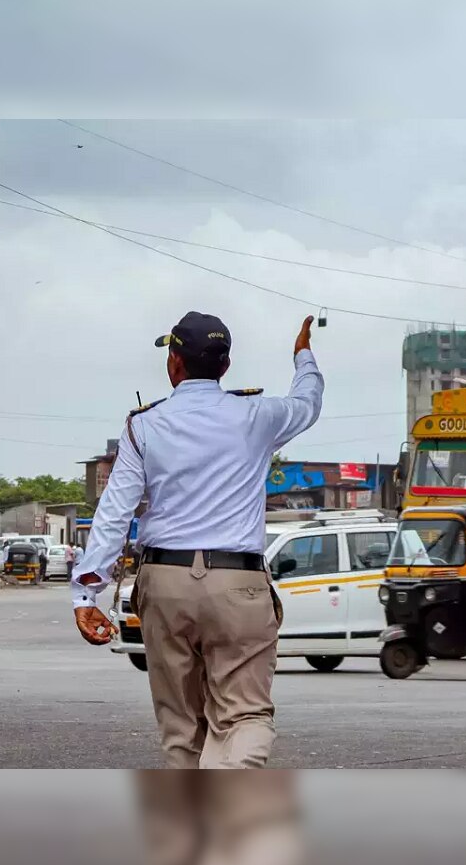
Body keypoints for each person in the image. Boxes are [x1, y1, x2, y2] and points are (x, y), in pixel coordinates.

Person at [72, 312, 323, 769]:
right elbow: (307, 401)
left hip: (165, 584)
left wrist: (86, 590)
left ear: (174, 362)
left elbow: (114, 511)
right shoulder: (259, 416)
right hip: (238, 583)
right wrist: (303, 355)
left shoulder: (142, 426)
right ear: (225, 366)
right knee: (243, 714)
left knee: (181, 726)